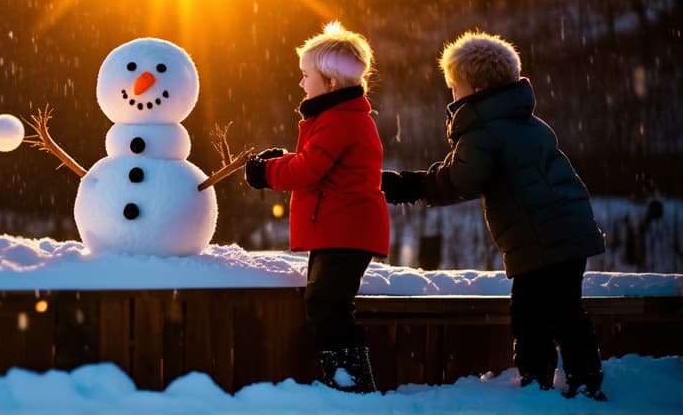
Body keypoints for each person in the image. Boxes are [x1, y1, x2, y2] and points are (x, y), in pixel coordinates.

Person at [381, 30, 607, 401]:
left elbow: (463, 179)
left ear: (473, 86)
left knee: (530, 314)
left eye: (454, 86)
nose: (451, 96)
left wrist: (411, 185)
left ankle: (537, 386)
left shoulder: (484, 130)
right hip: (568, 227)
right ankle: (586, 380)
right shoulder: (528, 123)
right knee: (567, 311)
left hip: (538, 237)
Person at [245, 21, 389, 394]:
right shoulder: (339, 118)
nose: (300, 83)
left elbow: (309, 169)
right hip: (341, 227)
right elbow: (316, 161)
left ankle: (350, 380)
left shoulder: (340, 121)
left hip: (345, 228)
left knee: (328, 304)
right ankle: (345, 377)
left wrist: (265, 172)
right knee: (326, 302)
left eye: (305, 75)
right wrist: (280, 160)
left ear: (330, 83)